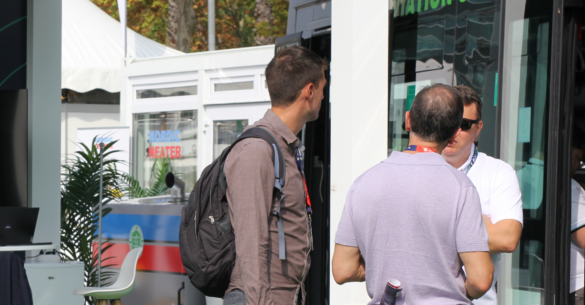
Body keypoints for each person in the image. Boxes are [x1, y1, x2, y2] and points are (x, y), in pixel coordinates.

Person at [332, 84, 493, 304]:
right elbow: (481, 280)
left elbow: (343, 270)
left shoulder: (362, 184)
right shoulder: (461, 188)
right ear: (455, 131)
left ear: (408, 120)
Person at [222, 46, 325, 305]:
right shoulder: (256, 150)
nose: (324, 97)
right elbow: (250, 242)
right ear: (309, 91)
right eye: (324, 88)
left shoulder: (284, 146)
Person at [442, 86, 523, 305]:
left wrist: (433, 225)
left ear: (478, 128)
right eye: (448, 121)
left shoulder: (499, 172)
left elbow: (507, 240)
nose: (454, 131)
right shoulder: (415, 167)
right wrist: (477, 224)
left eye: (464, 125)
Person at [569, 127, 585, 305]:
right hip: (577, 286)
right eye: (579, 159)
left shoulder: (517, 177)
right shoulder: (570, 188)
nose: (580, 166)